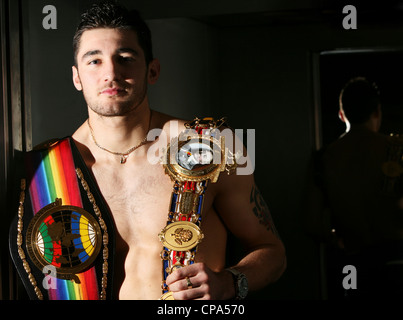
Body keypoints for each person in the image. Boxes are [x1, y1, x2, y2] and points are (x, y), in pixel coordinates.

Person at [11, 2, 286, 300]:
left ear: (152, 70)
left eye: (125, 58)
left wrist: (229, 282)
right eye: (95, 61)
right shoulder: (46, 169)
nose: (111, 73)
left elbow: (272, 252)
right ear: (77, 78)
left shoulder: (211, 146)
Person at [307, 77, 403, 298]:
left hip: (352, 264)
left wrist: (335, 238)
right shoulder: (396, 150)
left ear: (342, 115)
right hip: (397, 260)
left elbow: (310, 222)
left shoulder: (324, 159)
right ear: (377, 112)